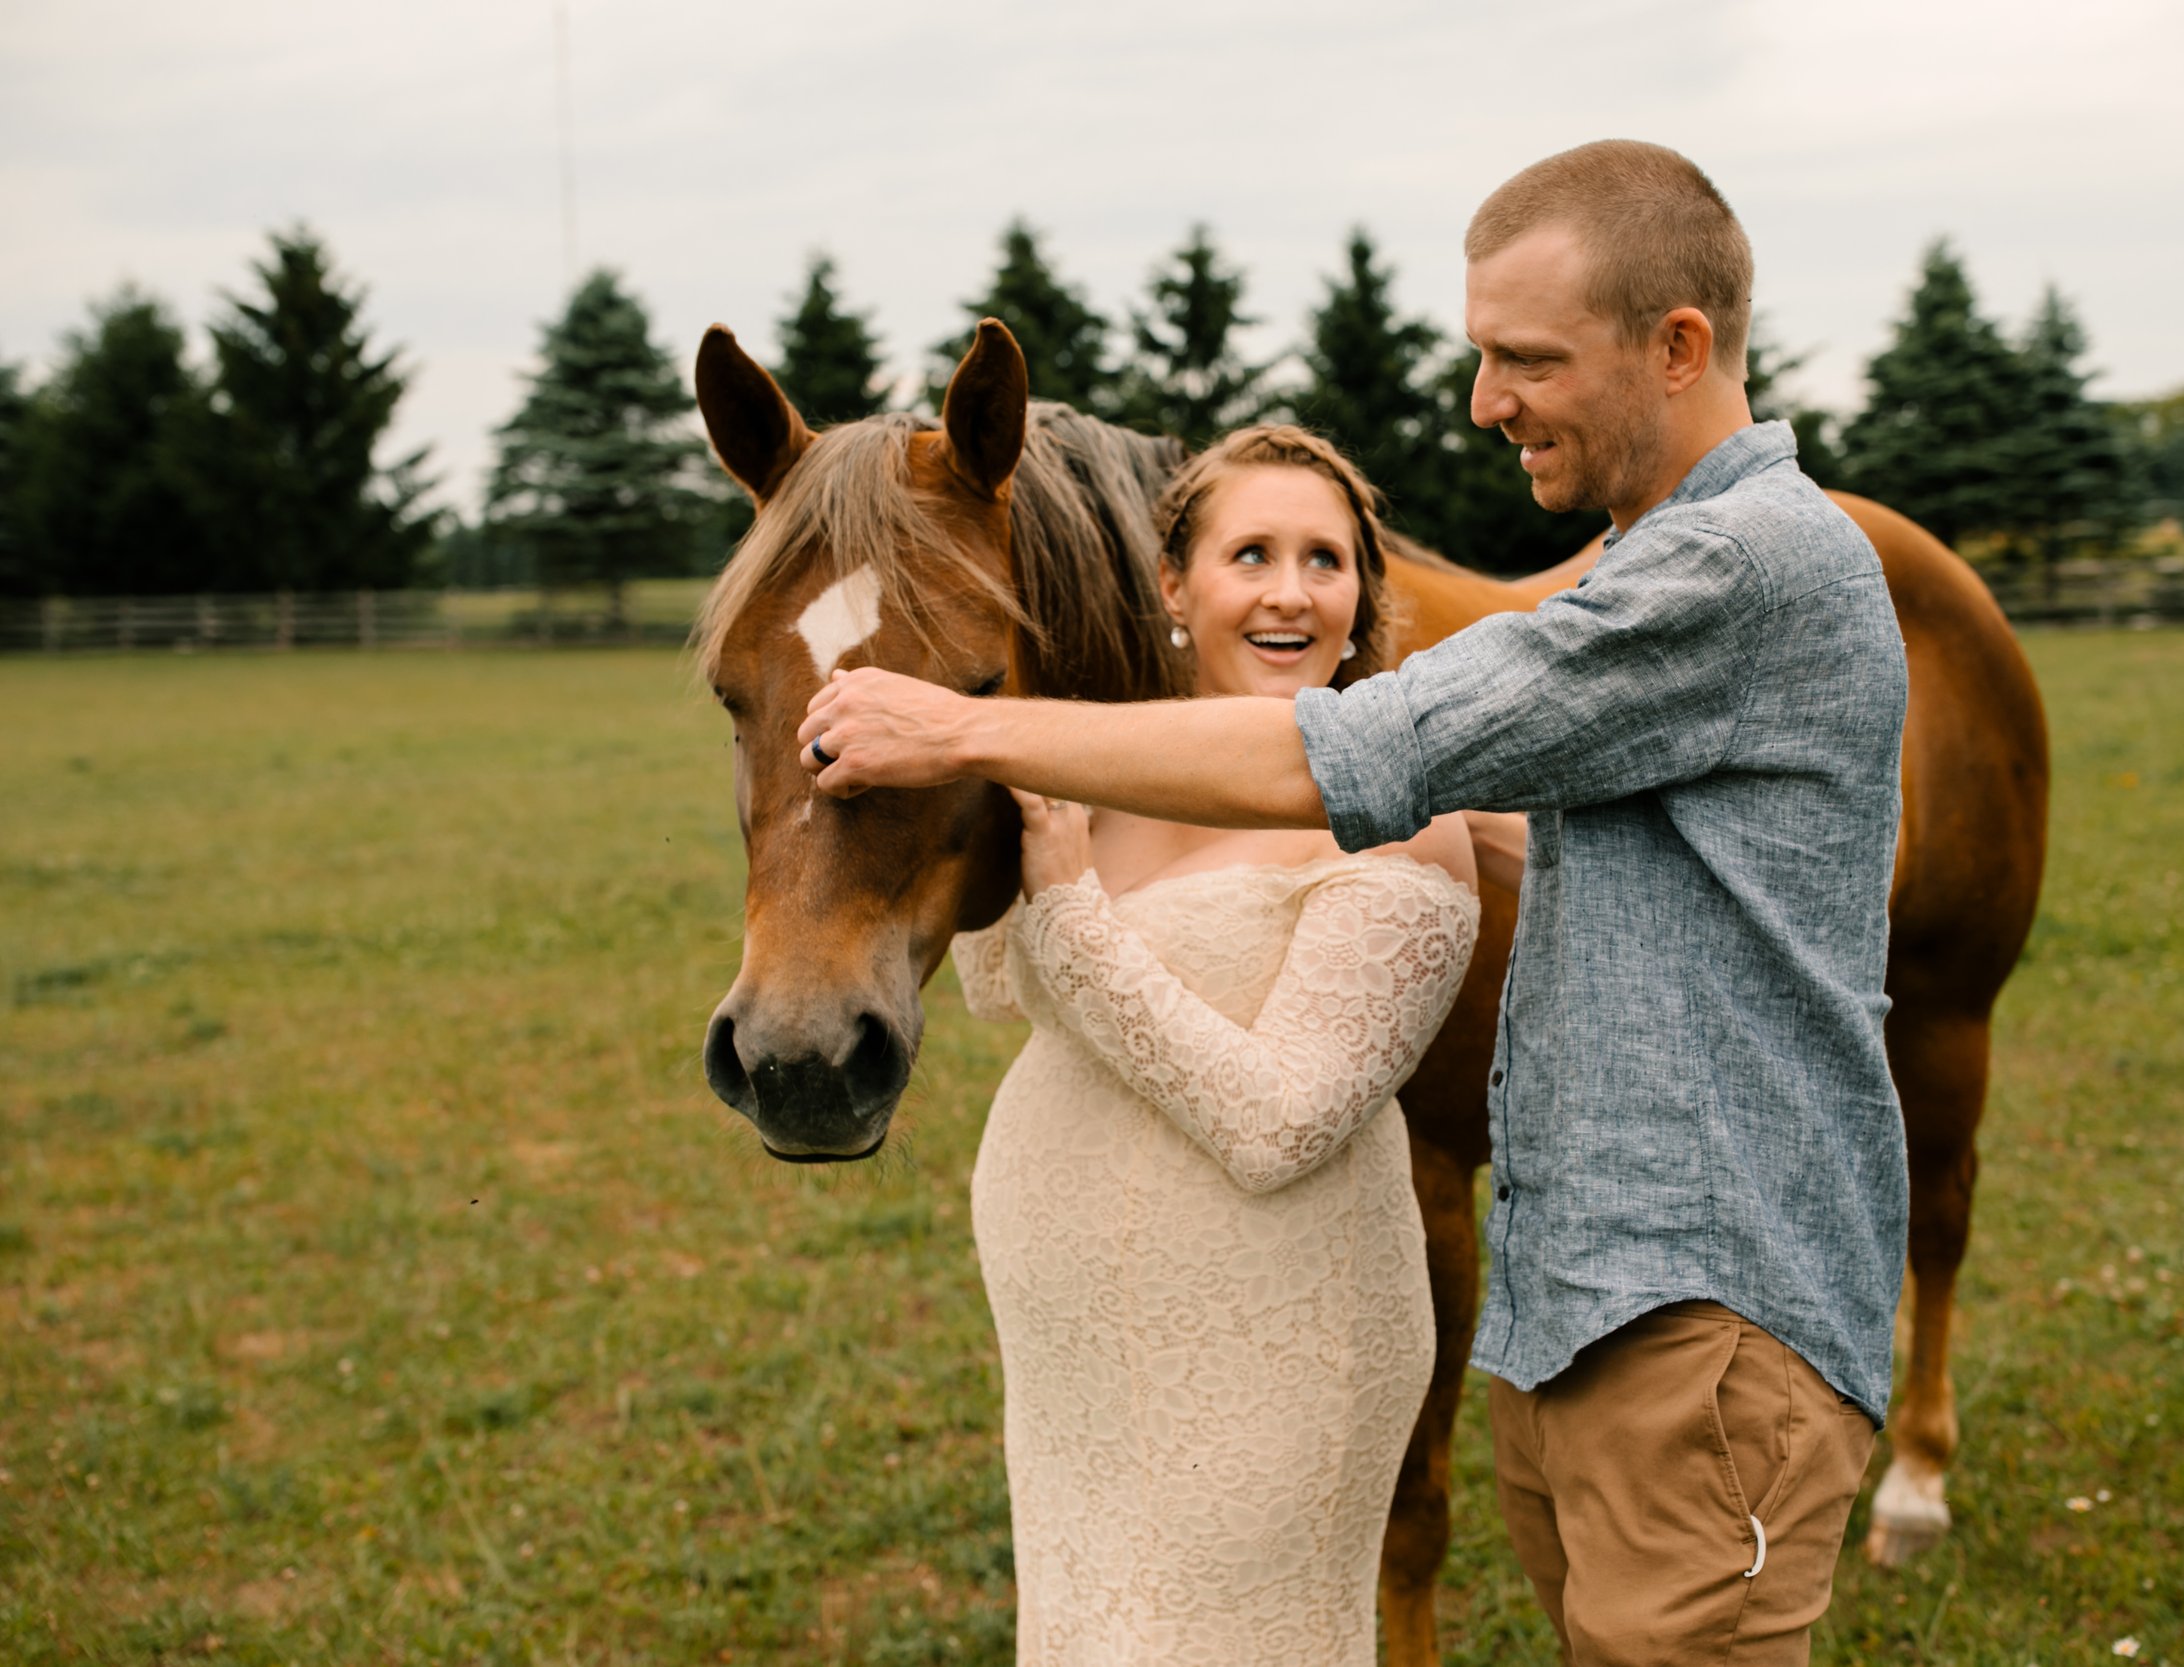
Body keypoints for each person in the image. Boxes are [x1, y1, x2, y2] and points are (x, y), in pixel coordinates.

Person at [803, 141, 1908, 1665]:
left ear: (1677, 346)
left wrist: (964, 727)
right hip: (1586, 1306)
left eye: (1526, 358)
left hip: (1703, 1316)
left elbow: (1361, 751)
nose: (1482, 400)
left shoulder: (1741, 563)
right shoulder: (1666, 569)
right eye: (1481, 354)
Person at [946, 424, 1482, 1662]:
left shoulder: (1400, 823)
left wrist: (1071, 910)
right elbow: (989, 982)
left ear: (1362, 598)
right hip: (1074, 1358)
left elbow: (1278, 1121)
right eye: (1252, 553)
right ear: (1176, 589)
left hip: (1273, 1349)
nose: (1291, 590)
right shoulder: (1104, 774)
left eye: (1326, 559)